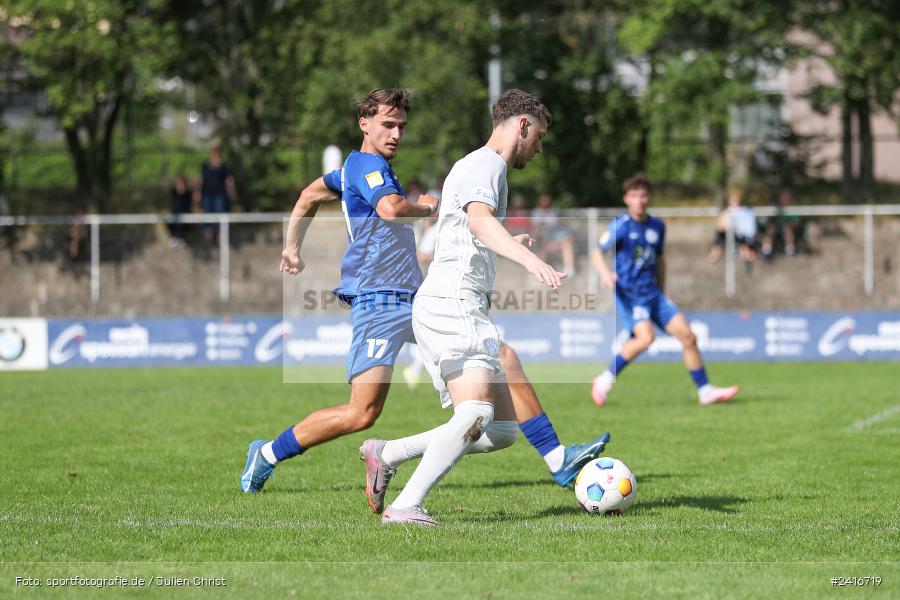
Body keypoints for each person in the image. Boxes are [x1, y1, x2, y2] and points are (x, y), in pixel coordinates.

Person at [241, 89, 609, 500]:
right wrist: (426, 207)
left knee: (501, 359)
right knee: (361, 413)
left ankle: (556, 457)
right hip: (378, 301)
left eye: (401, 126)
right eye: (387, 124)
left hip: (416, 296)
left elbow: (309, 195)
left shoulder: (351, 173)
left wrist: (292, 245)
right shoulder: (366, 166)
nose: (396, 133)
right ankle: (270, 452)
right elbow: (391, 209)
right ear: (364, 124)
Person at [369, 89, 572, 526]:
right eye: (538, 137)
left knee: (500, 431)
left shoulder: (476, 164)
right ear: (522, 125)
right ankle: (406, 506)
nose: (538, 148)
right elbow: (479, 221)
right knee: (476, 412)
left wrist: (506, 244)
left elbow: (469, 232)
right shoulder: (488, 164)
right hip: (452, 302)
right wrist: (531, 260)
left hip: (457, 302)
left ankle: (387, 453)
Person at [590, 174, 739, 407]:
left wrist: (663, 290)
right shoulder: (621, 225)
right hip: (630, 295)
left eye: (643, 195)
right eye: (634, 196)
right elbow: (597, 251)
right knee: (646, 338)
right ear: (626, 199)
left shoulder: (658, 226)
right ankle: (604, 379)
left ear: (649, 197)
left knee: (688, 336)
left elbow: (660, 260)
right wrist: (605, 274)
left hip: (654, 294)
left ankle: (705, 391)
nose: (639, 200)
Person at [532, 193, 576, 276]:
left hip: (563, 245)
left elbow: (572, 239)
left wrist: (563, 242)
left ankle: (569, 269)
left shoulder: (567, 227)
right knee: (543, 249)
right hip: (552, 245)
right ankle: (539, 271)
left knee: (567, 246)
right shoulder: (552, 227)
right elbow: (548, 238)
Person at [707, 192, 757, 263]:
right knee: (718, 243)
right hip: (725, 234)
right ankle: (714, 256)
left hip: (739, 235)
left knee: (744, 244)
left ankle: (745, 255)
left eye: (736, 201)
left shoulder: (743, 212)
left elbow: (748, 227)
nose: (734, 203)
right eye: (733, 201)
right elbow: (719, 226)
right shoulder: (726, 212)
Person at [198, 145, 234, 244]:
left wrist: (231, 193)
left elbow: (229, 181)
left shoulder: (224, 166)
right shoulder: (205, 166)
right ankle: (208, 239)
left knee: (220, 216)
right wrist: (197, 193)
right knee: (207, 216)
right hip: (207, 195)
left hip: (220, 195)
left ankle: (220, 239)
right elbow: (201, 180)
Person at [761, 189, 801, 258]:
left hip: (787, 229)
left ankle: (790, 251)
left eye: (786, 198)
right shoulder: (775, 206)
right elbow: (769, 219)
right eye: (783, 197)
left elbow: (796, 222)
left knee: (787, 230)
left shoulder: (792, 208)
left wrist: (790, 224)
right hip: (775, 227)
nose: (784, 199)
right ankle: (766, 250)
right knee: (770, 229)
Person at [167, 174, 193, 247]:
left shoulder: (188, 192)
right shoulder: (173, 191)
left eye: (182, 182)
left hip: (185, 214)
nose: (180, 183)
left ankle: (180, 237)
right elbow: (167, 186)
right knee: (169, 220)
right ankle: (174, 237)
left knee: (182, 221)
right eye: (179, 182)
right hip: (175, 214)